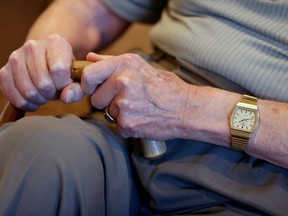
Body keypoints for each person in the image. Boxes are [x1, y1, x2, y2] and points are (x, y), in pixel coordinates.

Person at [0, 0, 287, 215]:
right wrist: (45, 55)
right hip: (139, 110)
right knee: (36, 149)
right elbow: (91, 8)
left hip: (268, 158)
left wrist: (186, 107)